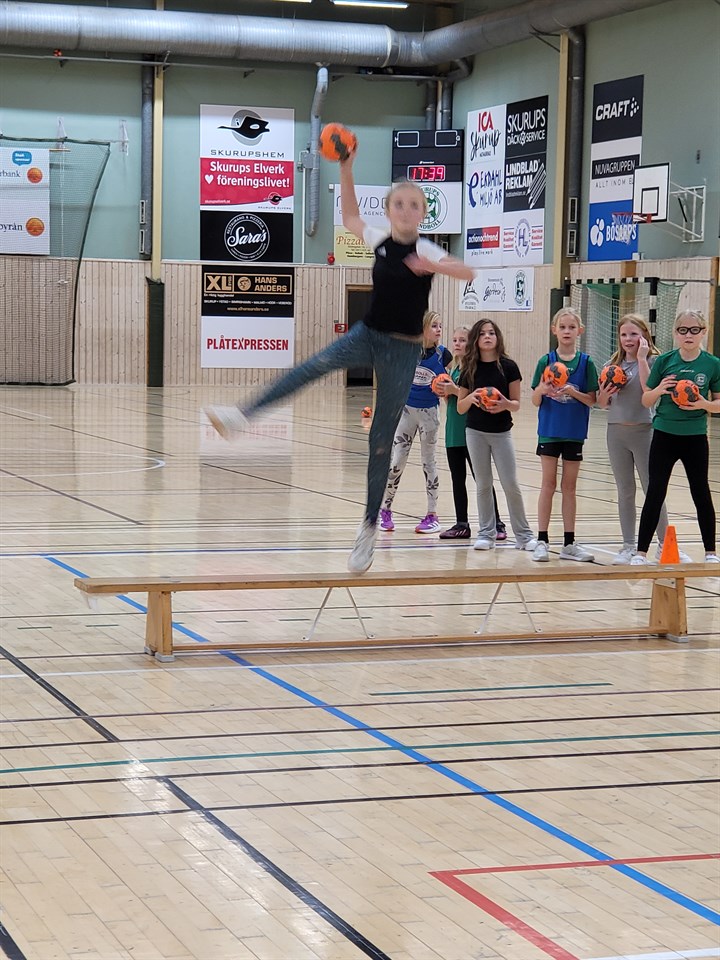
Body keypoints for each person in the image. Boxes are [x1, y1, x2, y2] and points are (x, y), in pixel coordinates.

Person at [204, 144, 474, 574]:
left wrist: (435, 266)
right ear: (389, 210)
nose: (406, 210)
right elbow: (350, 218)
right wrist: (346, 168)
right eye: (399, 204)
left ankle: (368, 527)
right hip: (367, 335)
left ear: (424, 213)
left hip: (404, 351)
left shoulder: (428, 249)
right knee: (310, 367)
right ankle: (241, 416)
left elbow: (467, 271)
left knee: (381, 439)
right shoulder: (380, 241)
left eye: (414, 205)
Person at [630, 310, 720, 565]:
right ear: (675, 333)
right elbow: (646, 399)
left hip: (695, 436)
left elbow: (718, 403)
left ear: (703, 332)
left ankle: (711, 552)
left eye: (694, 330)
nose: (688, 335)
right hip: (664, 435)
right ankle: (641, 553)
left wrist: (703, 404)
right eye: (683, 330)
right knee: (655, 492)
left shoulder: (712, 364)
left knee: (700, 491)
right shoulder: (664, 361)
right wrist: (660, 389)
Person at [598, 313, 683, 564]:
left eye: (633, 334)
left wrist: (643, 358)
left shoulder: (655, 361)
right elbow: (602, 404)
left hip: (645, 431)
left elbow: (649, 391)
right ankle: (627, 545)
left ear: (644, 335)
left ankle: (663, 543)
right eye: (624, 334)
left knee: (653, 489)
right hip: (616, 432)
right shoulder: (611, 365)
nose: (628, 339)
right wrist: (605, 392)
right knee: (625, 490)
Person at [455, 319, 536, 552]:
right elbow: (460, 407)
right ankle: (486, 534)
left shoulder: (509, 367)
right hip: (475, 433)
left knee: (510, 483)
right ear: (476, 340)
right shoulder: (469, 368)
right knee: (483, 484)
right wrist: (472, 398)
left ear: (498, 337)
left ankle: (524, 536)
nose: (487, 337)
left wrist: (504, 404)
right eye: (482, 334)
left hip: (501, 433)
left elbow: (516, 404)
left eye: (491, 333)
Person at [530, 307, 599, 562]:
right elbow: (535, 400)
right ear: (554, 330)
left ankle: (569, 543)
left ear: (580, 331)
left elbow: (592, 400)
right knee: (547, 484)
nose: (567, 331)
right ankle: (542, 540)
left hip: (574, 433)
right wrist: (543, 390)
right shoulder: (545, 361)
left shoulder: (586, 363)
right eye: (562, 327)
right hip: (549, 432)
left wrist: (572, 391)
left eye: (571, 327)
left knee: (569, 487)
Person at [380, 311, 450, 534]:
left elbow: (452, 382)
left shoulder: (444, 355)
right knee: (397, 461)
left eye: (440, 326)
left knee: (429, 463)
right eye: (434, 326)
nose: (439, 330)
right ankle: (385, 510)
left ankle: (432, 515)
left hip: (429, 414)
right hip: (406, 412)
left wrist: (447, 389)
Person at [435, 325, 507, 541]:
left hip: (472, 430)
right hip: (453, 431)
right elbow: (453, 402)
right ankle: (462, 524)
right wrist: (443, 392)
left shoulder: (475, 369)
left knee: (481, 479)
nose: (457, 344)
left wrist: (454, 390)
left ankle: (497, 522)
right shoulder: (453, 369)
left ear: (472, 343)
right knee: (457, 480)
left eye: (462, 340)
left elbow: (479, 398)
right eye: (455, 340)